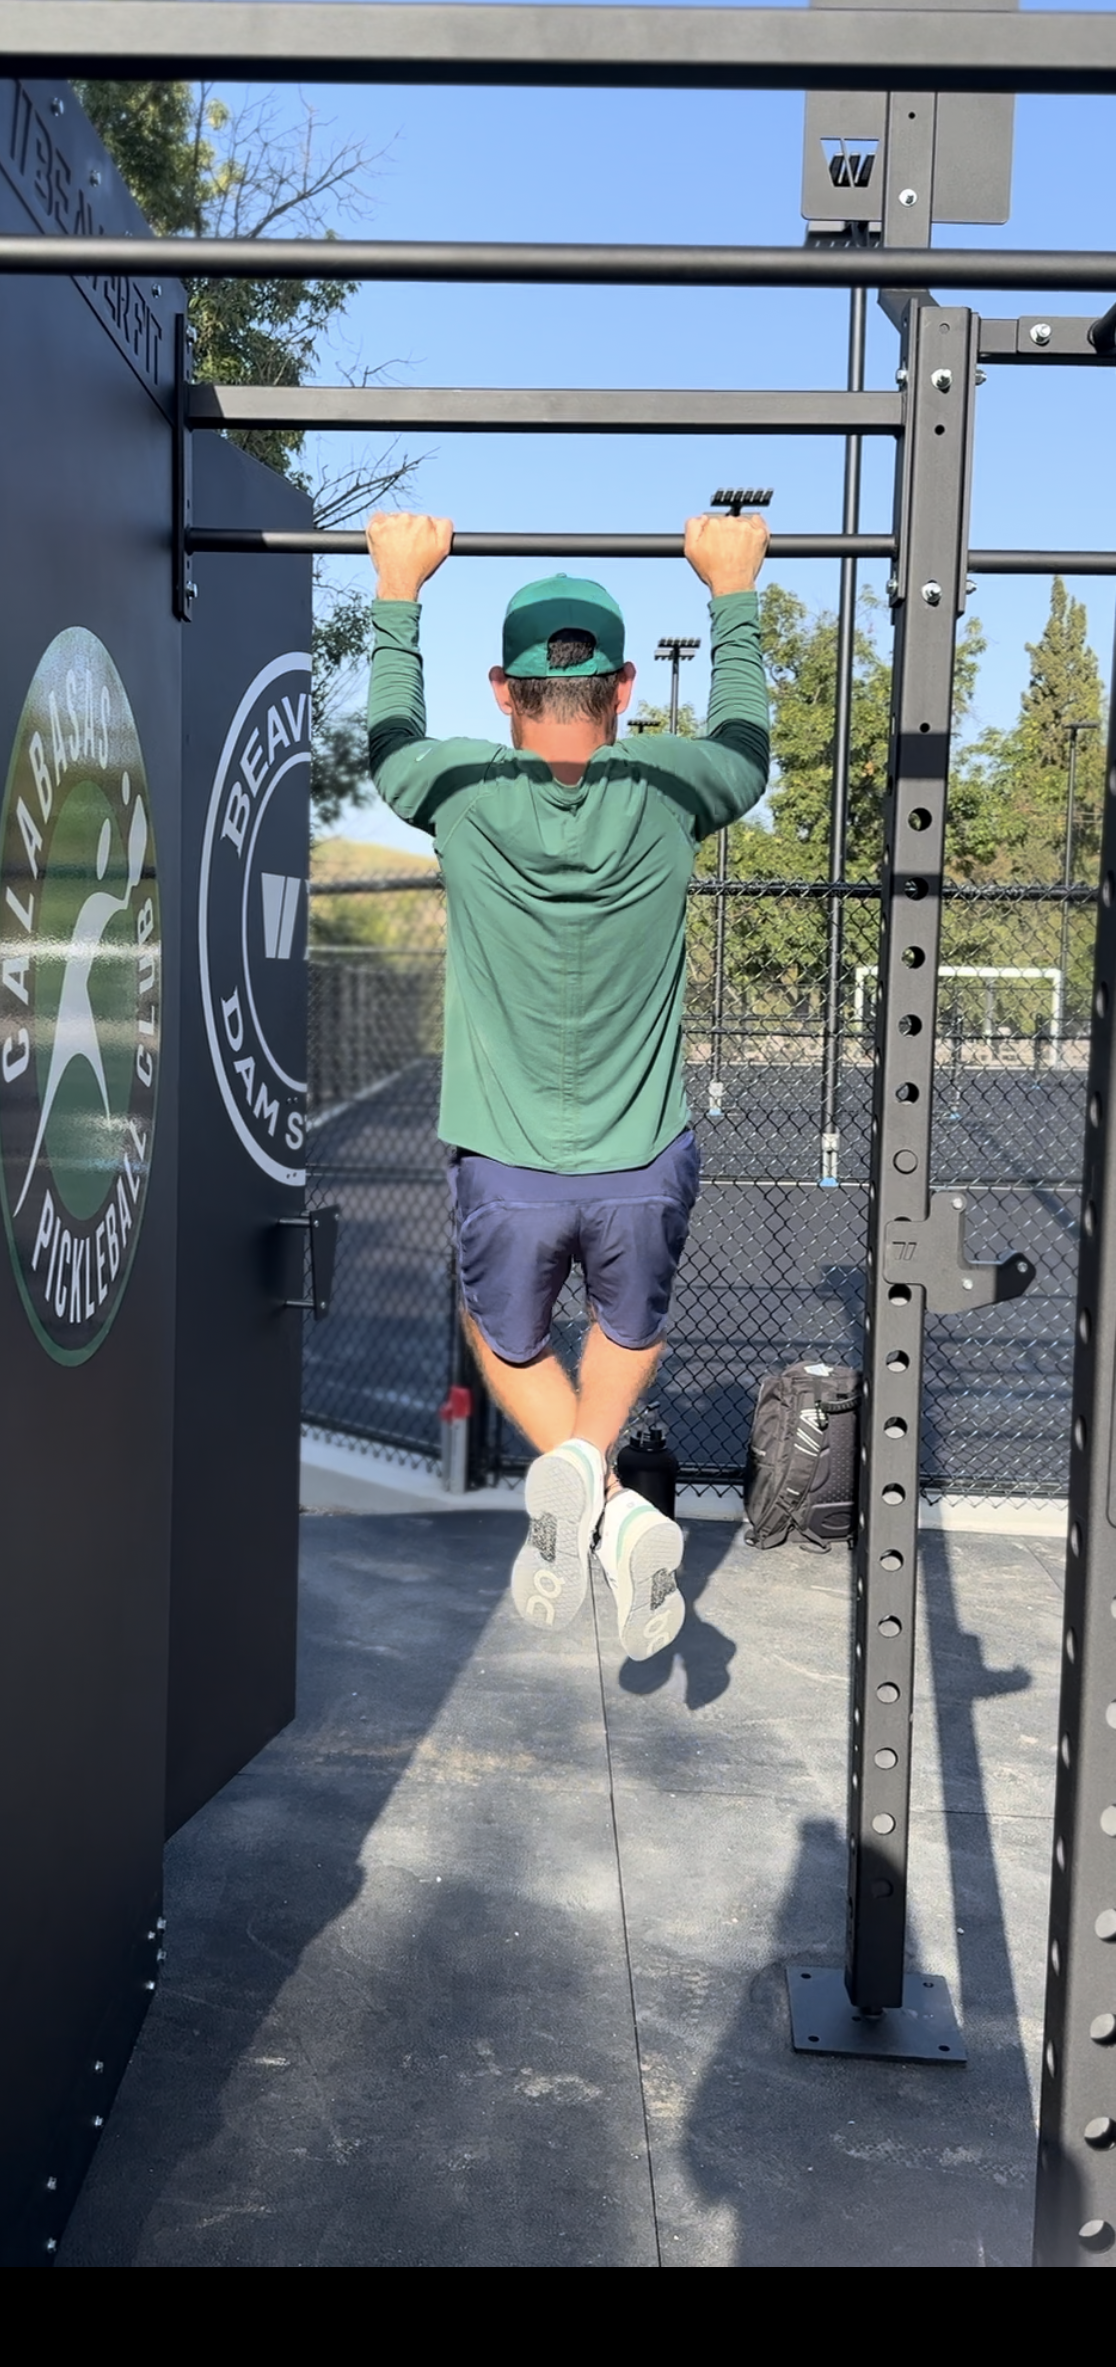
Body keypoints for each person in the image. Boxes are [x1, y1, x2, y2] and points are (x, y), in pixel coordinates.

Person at [365, 507, 770, 1659]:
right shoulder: (674, 786)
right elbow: (748, 743)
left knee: (498, 1336)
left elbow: (388, 737)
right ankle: (610, 1499)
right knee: (629, 1328)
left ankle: (592, 1496)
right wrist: (731, 595)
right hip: (643, 1158)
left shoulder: (458, 791)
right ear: (624, 687)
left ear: (503, 691)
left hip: (507, 1163)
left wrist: (400, 591)